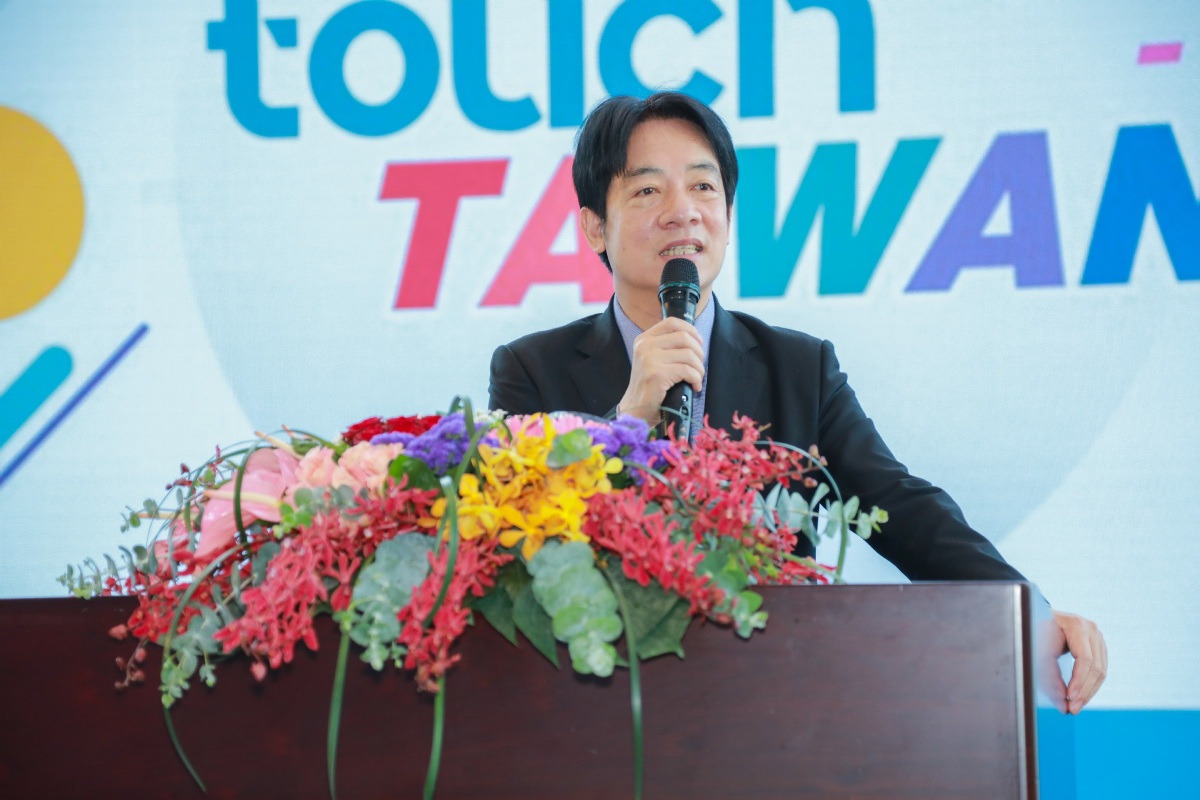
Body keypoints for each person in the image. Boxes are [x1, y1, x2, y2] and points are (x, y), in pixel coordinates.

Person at [488, 91, 1106, 713]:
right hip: (596, 709)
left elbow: (900, 506)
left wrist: (1030, 612)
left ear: (729, 211)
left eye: (703, 187)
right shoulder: (531, 371)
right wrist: (628, 418)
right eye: (648, 190)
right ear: (595, 224)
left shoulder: (799, 369)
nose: (684, 212)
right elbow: (511, 535)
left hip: (771, 705)